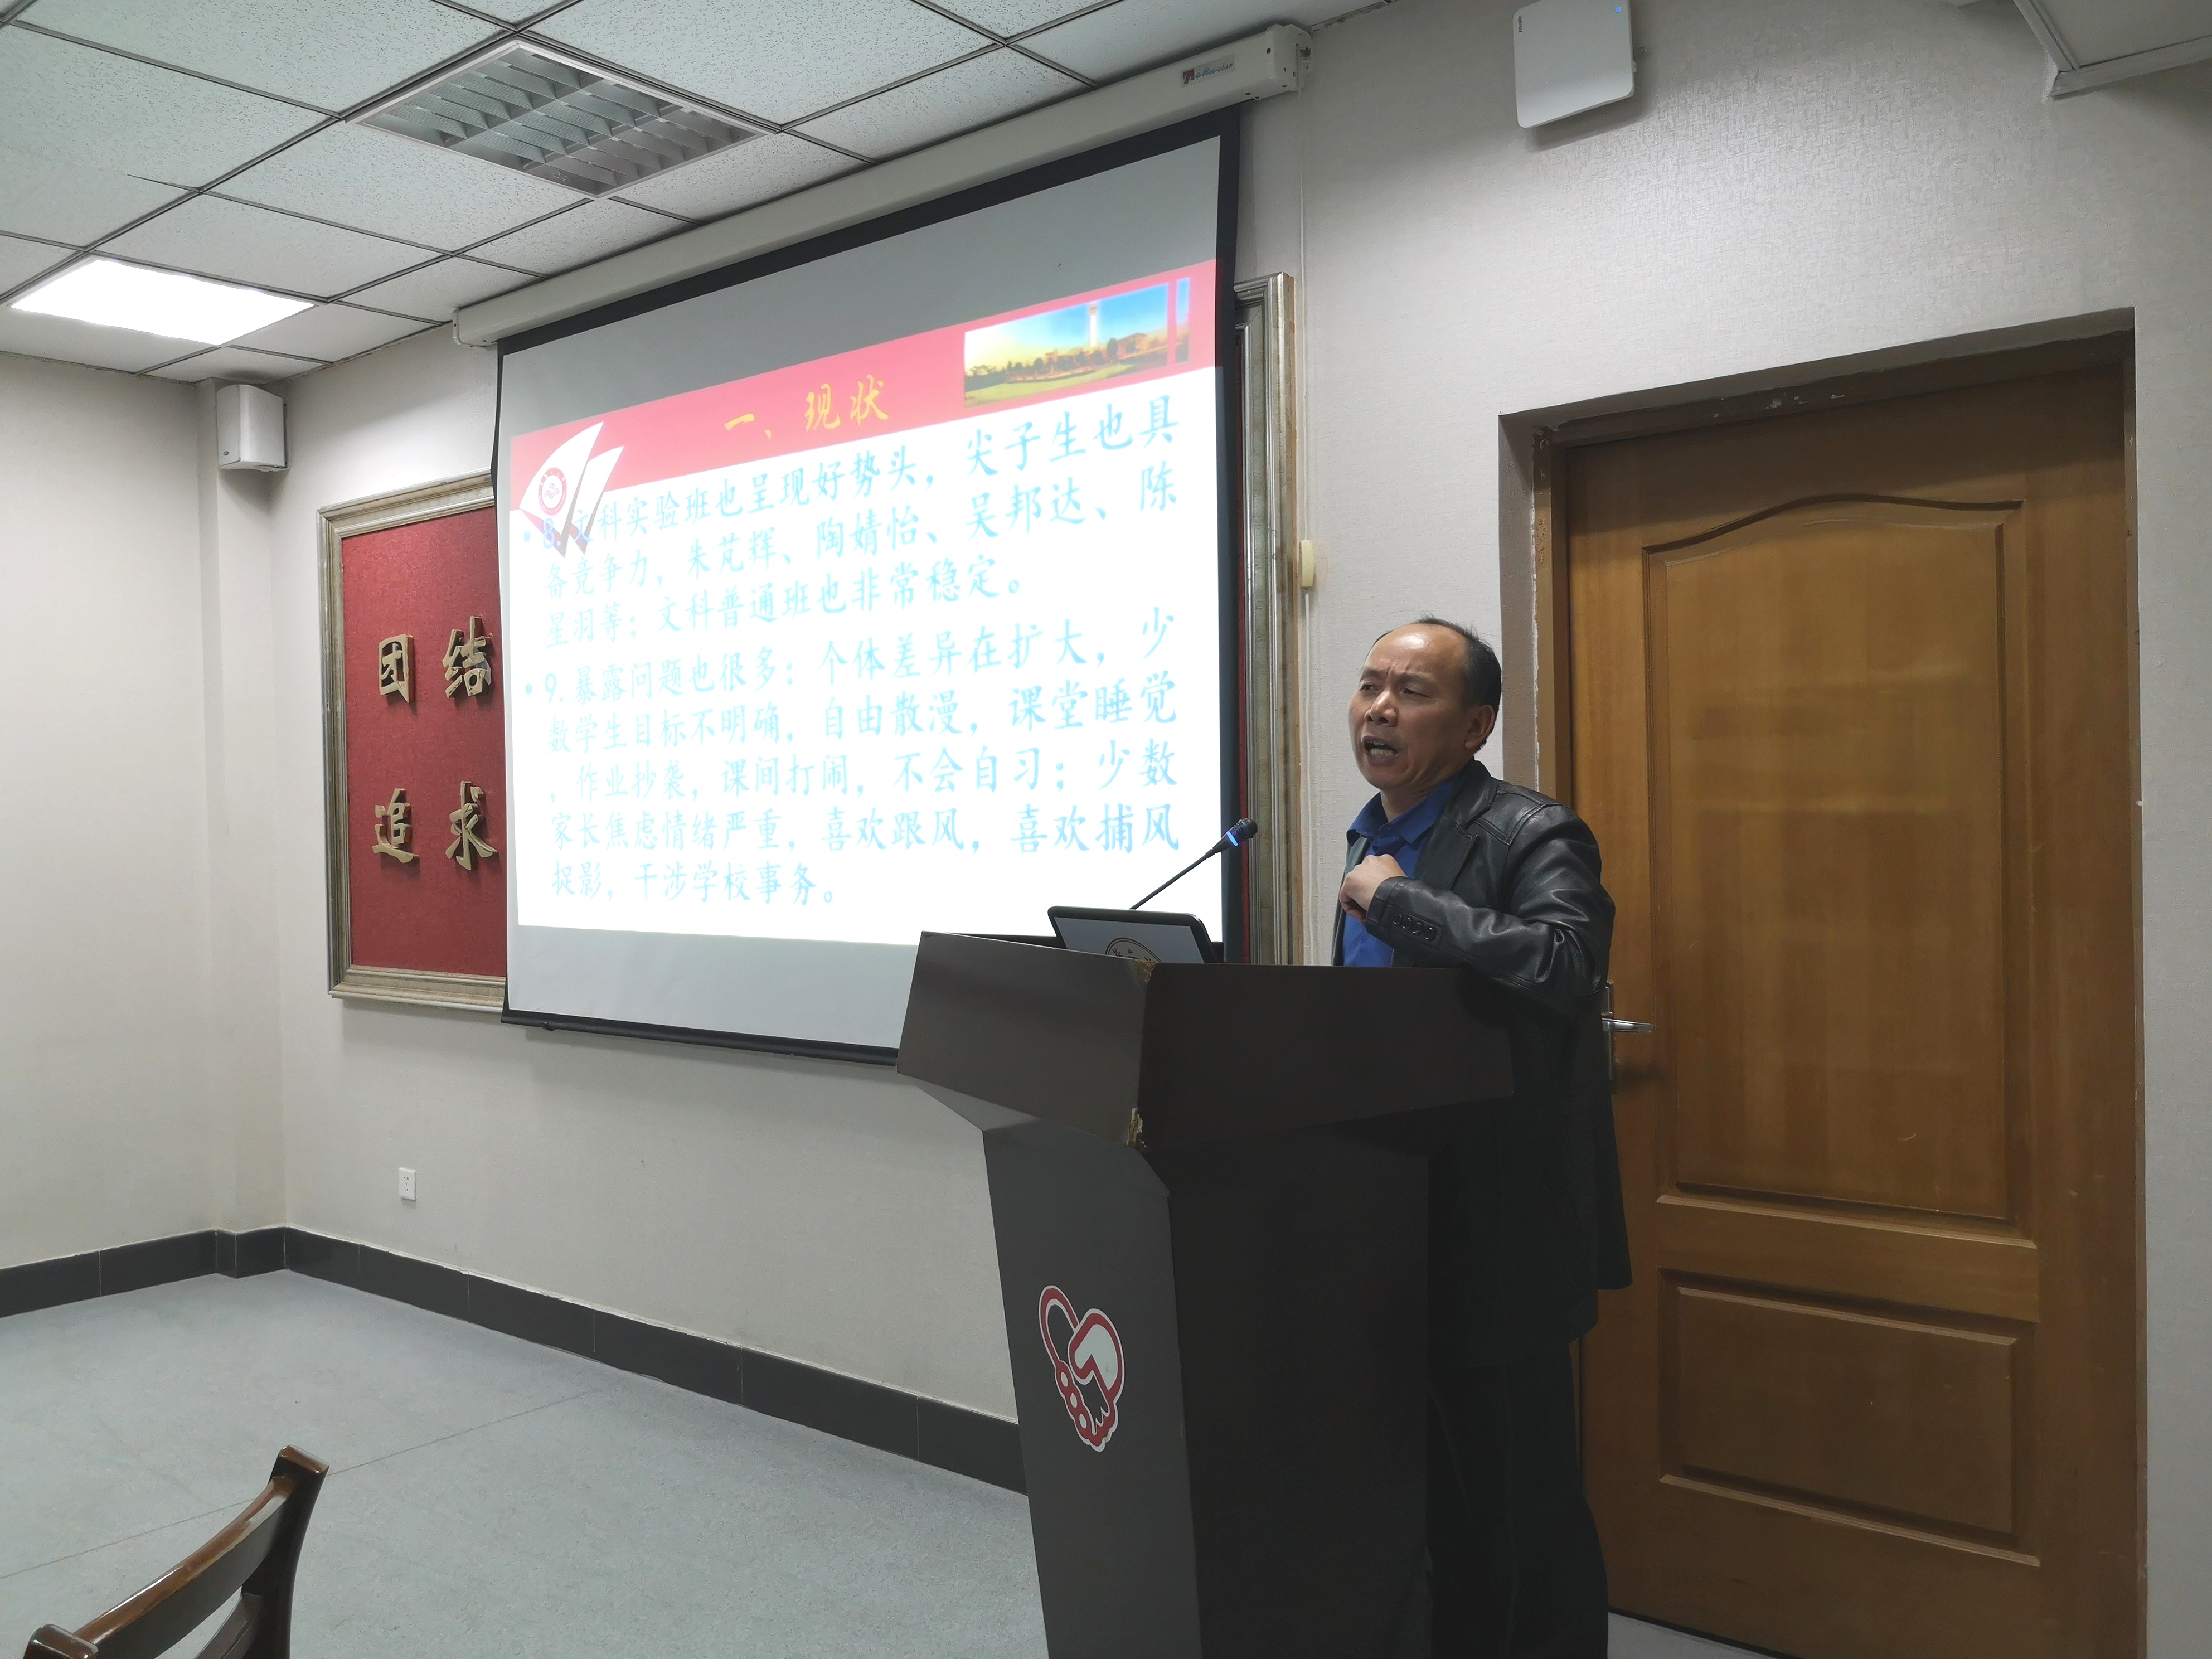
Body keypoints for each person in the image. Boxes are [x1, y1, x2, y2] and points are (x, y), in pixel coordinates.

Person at [1336, 617, 1630, 1659]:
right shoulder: (1370, 836)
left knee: (1518, 1497)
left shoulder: (1531, 832)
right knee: (1432, 1493)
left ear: (1475, 727)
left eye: (1412, 692)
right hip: (1388, 1213)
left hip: (1499, 1225)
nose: (1379, 708)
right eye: (1370, 685)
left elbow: (1564, 963)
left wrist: (1399, 901)